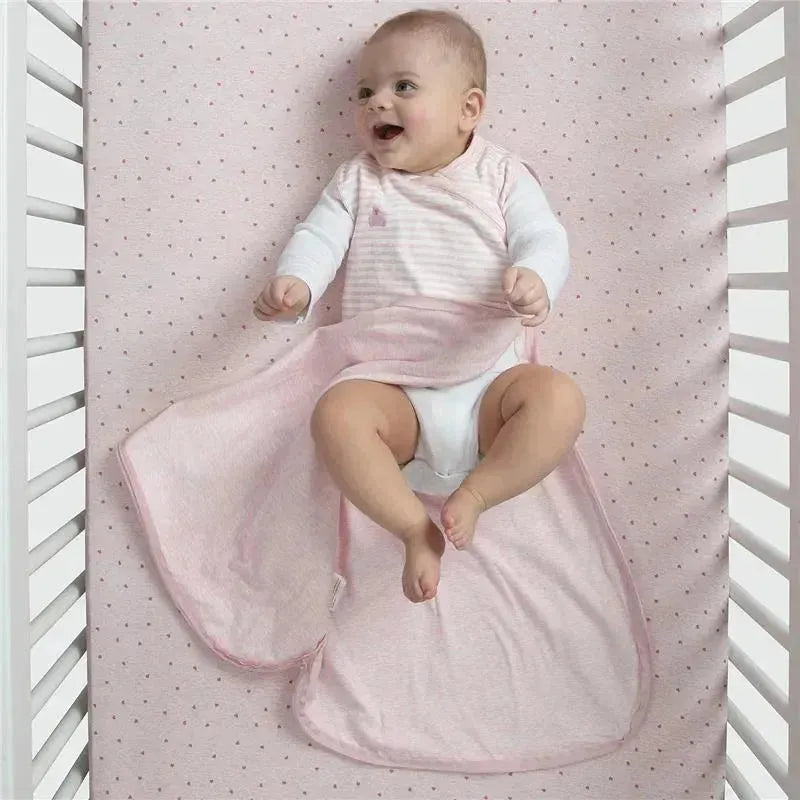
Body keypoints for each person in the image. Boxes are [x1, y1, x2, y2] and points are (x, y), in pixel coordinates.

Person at [253, 9, 586, 604]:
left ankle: (479, 493)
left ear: (468, 109)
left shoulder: (499, 173)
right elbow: (319, 237)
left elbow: (544, 235)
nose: (377, 102)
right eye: (365, 92)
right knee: (335, 416)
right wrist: (297, 282)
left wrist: (537, 277)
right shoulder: (357, 180)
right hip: (391, 386)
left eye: (403, 86)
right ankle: (412, 528)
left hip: (488, 381)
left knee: (559, 399)